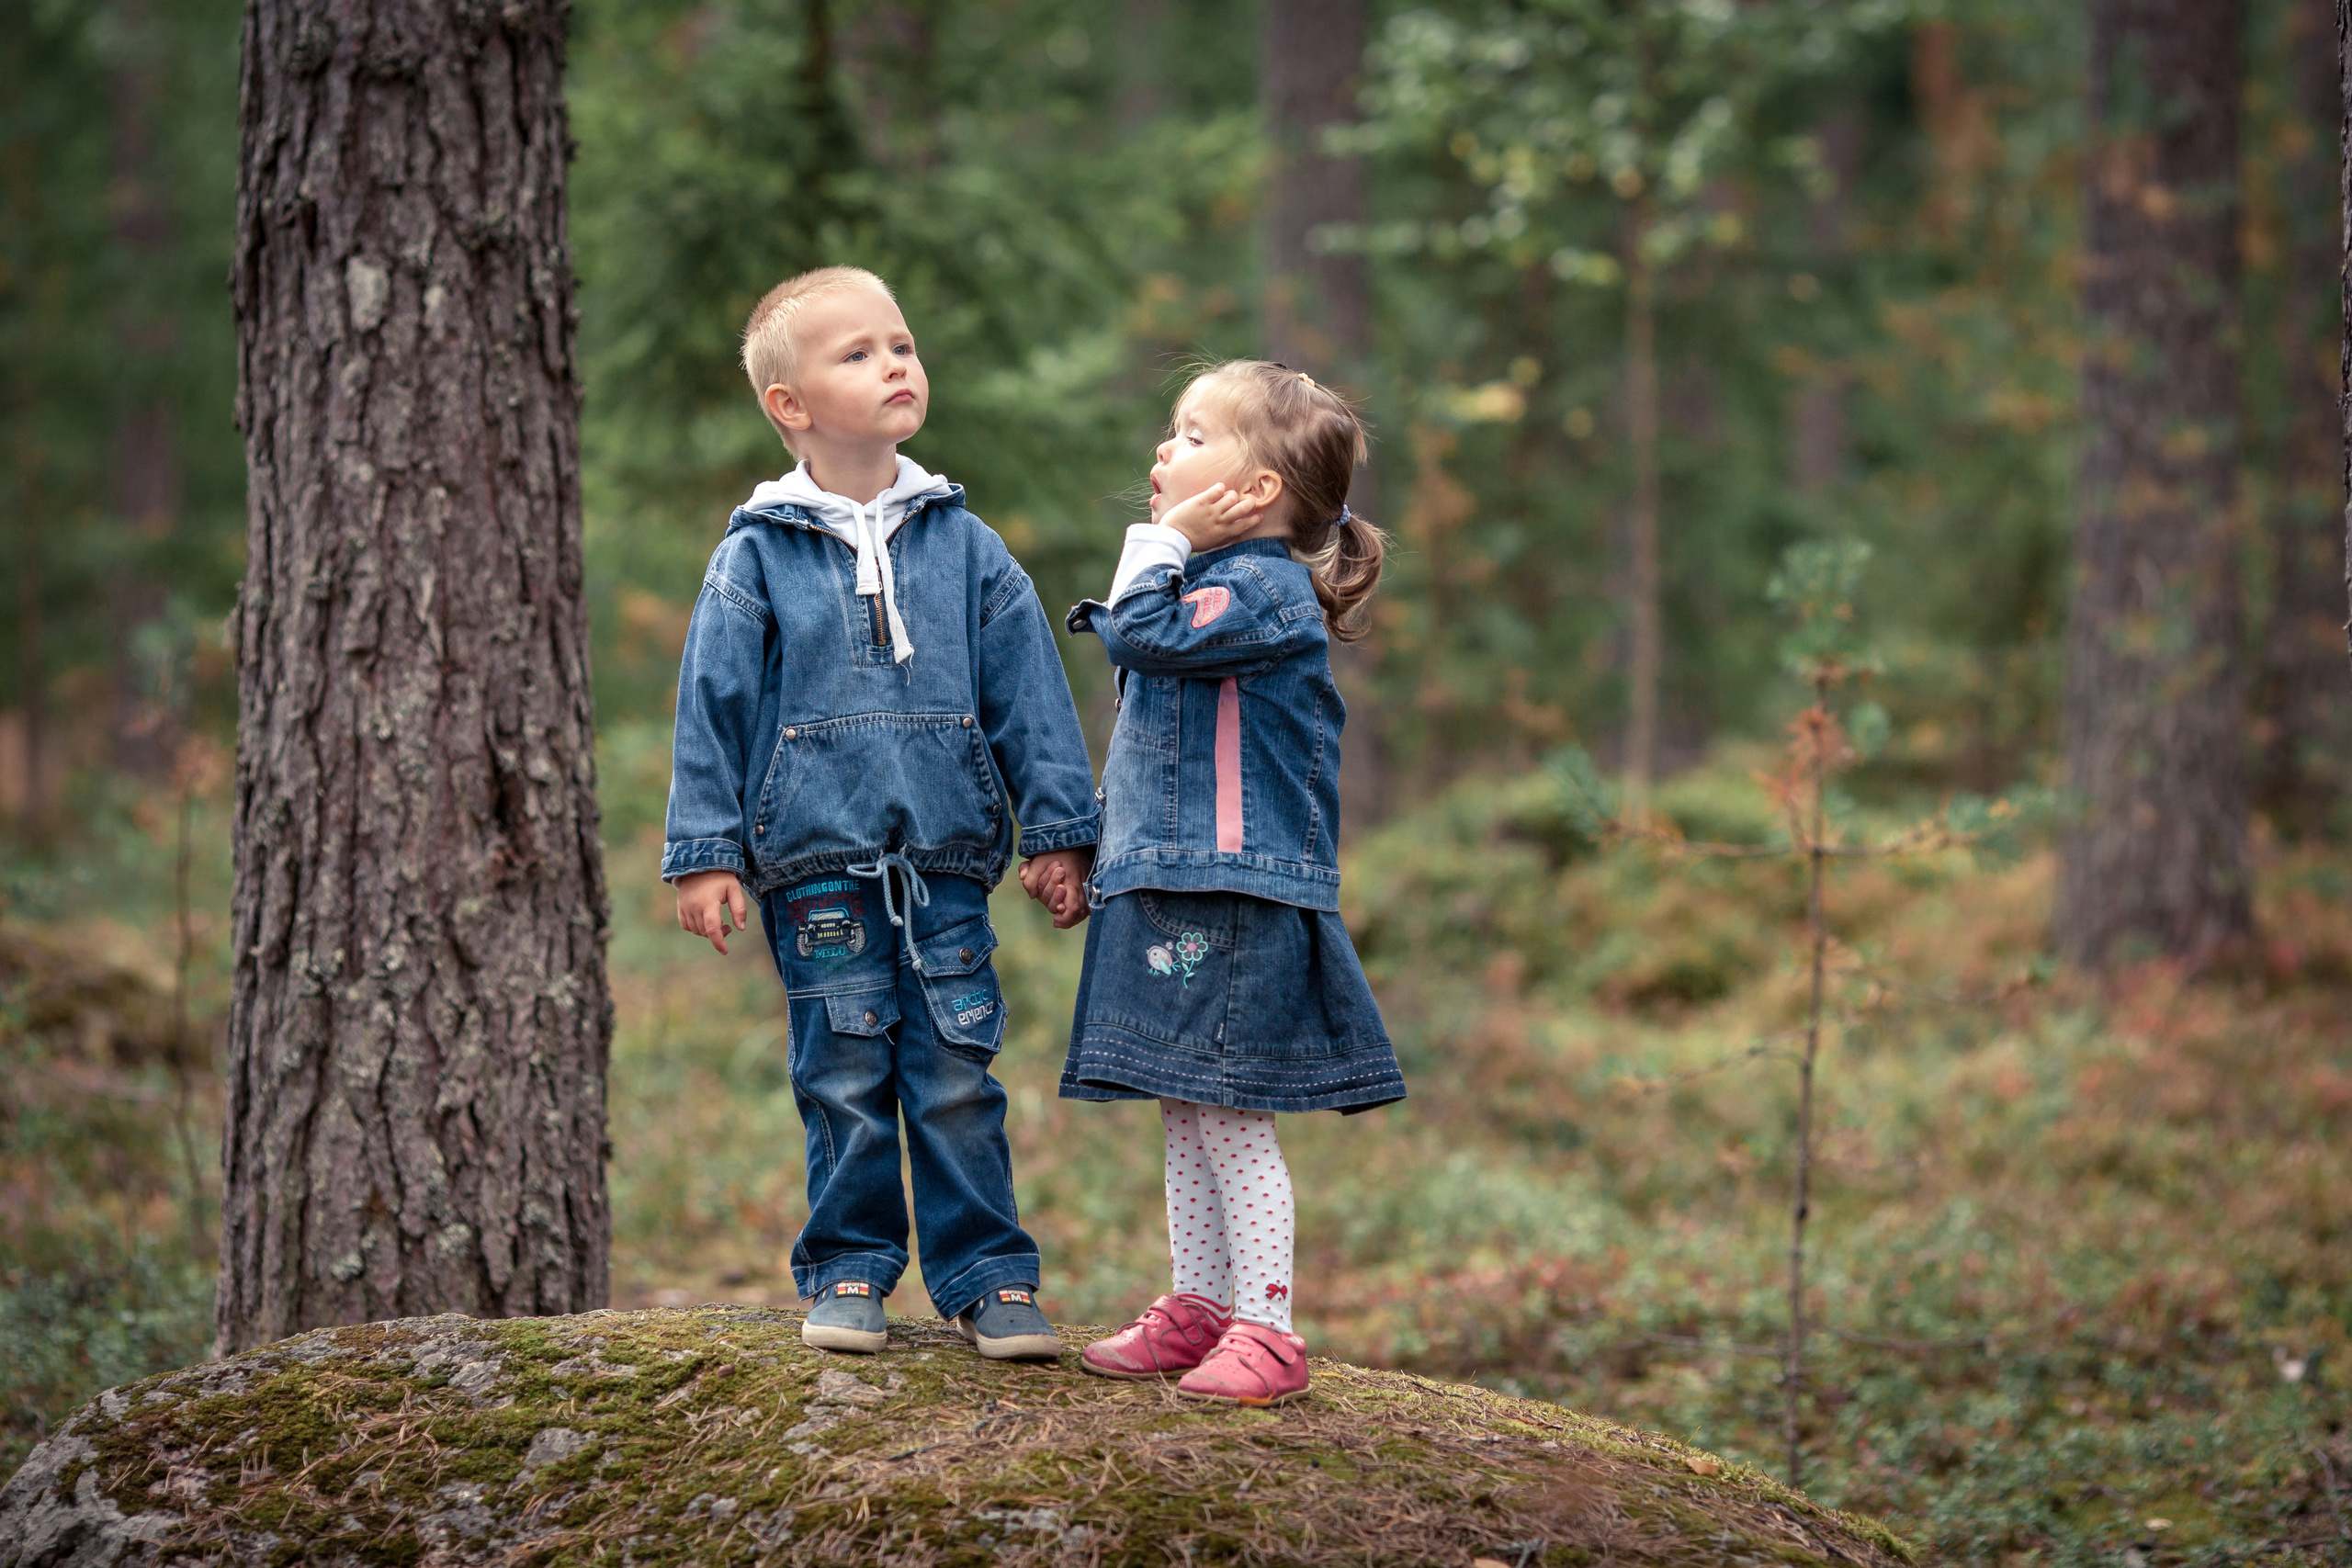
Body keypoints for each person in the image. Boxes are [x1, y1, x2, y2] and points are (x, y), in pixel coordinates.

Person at [663, 266, 1098, 1361]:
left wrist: (1057, 831)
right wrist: (705, 853)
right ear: (791, 405)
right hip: (815, 866)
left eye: (900, 344)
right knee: (843, 1077)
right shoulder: (756, 556)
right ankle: (849, 1266)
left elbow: (1031, 696)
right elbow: (711, 706)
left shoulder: (967, 546)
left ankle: (990, 1278)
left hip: (943, 859)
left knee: (956, 1076)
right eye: (857, 354)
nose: (895, 364)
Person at [1051, 360, 1408, 1406]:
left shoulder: (1259, 592)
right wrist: (1101, 855)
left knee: (1229, 1106)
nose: (1164, 449)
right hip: (1172, 878)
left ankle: (1269, 1327)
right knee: (1185, 1100)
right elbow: (1152, 744)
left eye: (1194, 435)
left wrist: (1156, 541)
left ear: (1253, 492)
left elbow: (1139, 633)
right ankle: (1201, 1305)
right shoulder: (1210, 590)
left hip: (1233, 888)